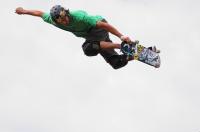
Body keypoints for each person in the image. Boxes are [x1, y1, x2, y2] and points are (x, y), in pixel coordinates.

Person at [15, 5, 159, 69]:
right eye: (61, 21)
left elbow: (104, 25)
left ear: (67, 12)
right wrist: (24, 11)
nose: (65, 22)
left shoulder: (80, 17)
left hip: (97, 28)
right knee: (116, 63)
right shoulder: (53, 20)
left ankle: (122, 46)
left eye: (65, 18)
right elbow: (40, 13)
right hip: (92, 37)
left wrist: (121, 37)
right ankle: (145, 52)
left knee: (89, 48)